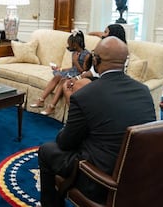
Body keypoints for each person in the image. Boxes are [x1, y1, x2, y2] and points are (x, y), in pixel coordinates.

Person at [38, 37, 156, 207]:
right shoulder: (143, 91)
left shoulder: (85, 95)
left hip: (99, 181)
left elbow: (65, 143)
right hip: (137, 176)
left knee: (46, 150)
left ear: (96, 61)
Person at [30, 30, 91, 115]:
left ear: (76, 43)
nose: (68, 45)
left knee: (63, 81)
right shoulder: (74, 53)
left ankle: (52, 107)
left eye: (70, 43)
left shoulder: (87, 55)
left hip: (79, 76)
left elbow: (84, 72)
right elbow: (73, 68)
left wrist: (76, 61)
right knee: (57, 76)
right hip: (72, 72)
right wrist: (61, 69)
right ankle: (41, 100)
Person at [63, 24, 127, 102]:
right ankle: (75, 112)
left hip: (106, 81)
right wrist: (76, 78)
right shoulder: (102, 48)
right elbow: (92, 71)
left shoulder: (121, 54)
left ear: (112, 36)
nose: (103, 35)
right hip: (94, 78)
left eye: (105, 32)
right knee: (66, 85)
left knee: (78, 85)